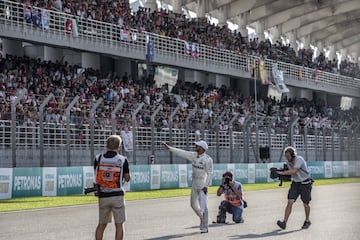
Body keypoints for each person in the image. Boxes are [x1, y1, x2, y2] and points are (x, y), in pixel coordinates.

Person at [162, 140, 213, 233]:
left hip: (202, 183)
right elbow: (182, 153)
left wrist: (206, 186)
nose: (195, 147)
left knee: (203, 206)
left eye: (197, 146)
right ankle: (202, 218)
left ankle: (205, 226)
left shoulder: (208, 159)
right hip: (194, 182)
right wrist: (169, 148)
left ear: (202, 148)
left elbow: (210, 173)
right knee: (193, 205)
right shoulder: (193, 155)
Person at [94, 135, 131, 240]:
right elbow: (127, 178)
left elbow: (96, 174)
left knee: (101, 225)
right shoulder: (122, 160)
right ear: (119, 147)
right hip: (117, 195)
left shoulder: (98, 158)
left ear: (106, 146)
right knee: (119, 225)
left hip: (103, 195)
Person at [276, 146, 313, 230]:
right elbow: (290, 175)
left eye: (288, 156)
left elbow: (294, 171)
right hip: (296, 183)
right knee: (290, 201)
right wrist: (279, 172)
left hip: (305, 183)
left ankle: (307, 220)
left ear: (293, 155)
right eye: (286, 156)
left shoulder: (299, 159)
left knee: (305, 204)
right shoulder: (288, 162)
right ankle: (284, 222)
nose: (287, 158)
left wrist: (282, 173)